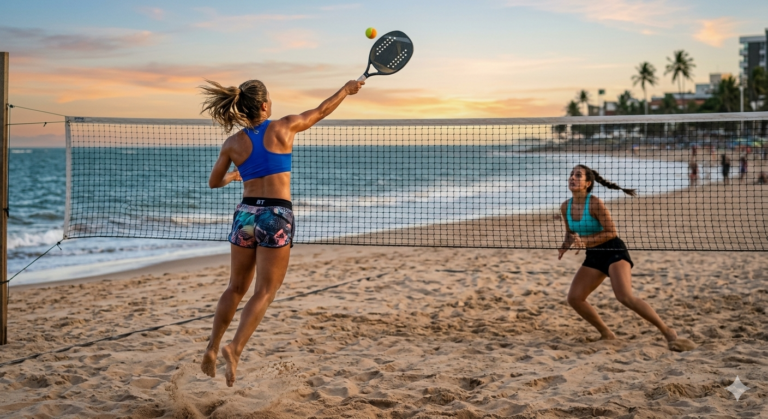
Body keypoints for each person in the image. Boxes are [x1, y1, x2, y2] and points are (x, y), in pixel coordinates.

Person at [199, 78, 364, 386]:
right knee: (264, 291)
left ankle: (211, 347)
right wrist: (345, 90)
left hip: (246, 213)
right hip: (275, 214)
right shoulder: (284, 127)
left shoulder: (232, 143)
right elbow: (320, 111)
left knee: (235, 288)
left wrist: (235, 176)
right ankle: (233, 349)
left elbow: (213, 182)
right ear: (264, 105)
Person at [557, 165, 695, 352]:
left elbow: (611, 232)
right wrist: (565, 246)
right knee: (574, 298)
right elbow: (570, 234)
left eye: (578, 175)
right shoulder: (565, 206)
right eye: (571, 174)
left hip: (613, 251)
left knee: (624, 297)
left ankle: (668, 332)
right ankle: (606, 333)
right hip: (594, 255)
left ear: (588, 183)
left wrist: (585, 240)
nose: (572, 178)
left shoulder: (596, 203)